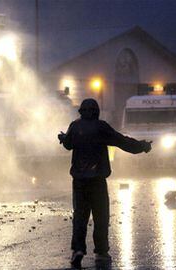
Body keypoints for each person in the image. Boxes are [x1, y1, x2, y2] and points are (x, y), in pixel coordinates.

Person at [58, 98, 152, 269]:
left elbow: (68, 144)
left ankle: (78, 249)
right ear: (96, 111)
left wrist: (63, 137)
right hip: (97, 180)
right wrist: (142, 146)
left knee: (80, 216)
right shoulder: (101, 127)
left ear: (81, 111)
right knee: (101, 216)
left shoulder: (75, 126)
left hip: (79, 181)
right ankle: (101, 251)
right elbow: (122, 141)